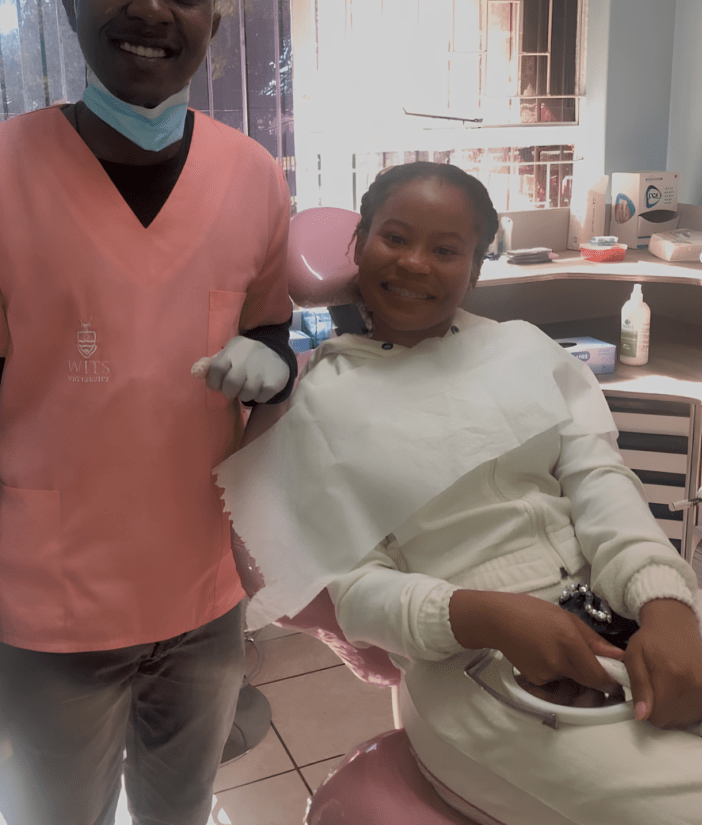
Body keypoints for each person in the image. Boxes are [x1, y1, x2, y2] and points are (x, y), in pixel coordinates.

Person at [0, 0, 297, 825]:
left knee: (182, 810)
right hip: (50, 609)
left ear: (213, 21)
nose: (150, 8)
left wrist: (276, 361)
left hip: (203, 595)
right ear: (70, 1)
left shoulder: (255, 178)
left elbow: (268, 333)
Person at [215, 162, 702, 825]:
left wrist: (665, 604)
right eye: (395, 238)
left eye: (446, 250)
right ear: (358, 244)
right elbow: (356, 594)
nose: (415, 263)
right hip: (470, 665)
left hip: (615, 614)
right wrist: (485, 615)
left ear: (474, 269)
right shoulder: (316, 406)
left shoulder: (525, 351)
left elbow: (602, 486)